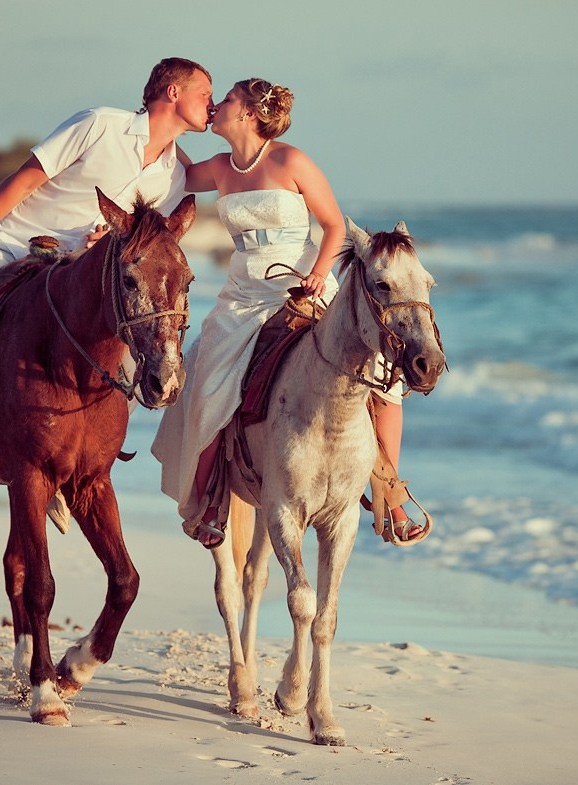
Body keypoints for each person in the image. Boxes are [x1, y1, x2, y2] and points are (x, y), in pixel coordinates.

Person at [0, 57, 214, 487]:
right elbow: (25, 179)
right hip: (14, 246)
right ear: (173, 92)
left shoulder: (173, 176)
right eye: (206, 94)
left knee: (130, 366)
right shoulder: (100, 124)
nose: (211, 106)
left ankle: (74, 467)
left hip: (81, 279)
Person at [150, 78, 422, 548]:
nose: (217, 105)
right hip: (243, 293)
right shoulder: (217, 168)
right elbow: (169, 171)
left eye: (227, 100)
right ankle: (211, 499)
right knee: (207, 385)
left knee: (385, 379)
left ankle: (388, 495)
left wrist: (319, 274)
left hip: (301, 283)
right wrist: (170, 123)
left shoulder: (289, 160)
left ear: (249, 114)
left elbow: (334, 225)